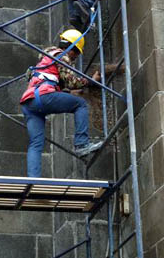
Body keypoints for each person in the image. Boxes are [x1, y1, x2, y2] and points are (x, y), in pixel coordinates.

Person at [19, 28, 103, 177]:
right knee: (80, 104)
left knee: (36, 144)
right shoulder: (61, 56)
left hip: (29, 103)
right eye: (76, 53)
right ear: (71, 48)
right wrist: (91, 81)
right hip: (43, 96)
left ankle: (33, 180)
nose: (75, 58)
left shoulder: (45, 58)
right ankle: (82, 144)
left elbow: (60, 82)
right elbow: (72, 82)